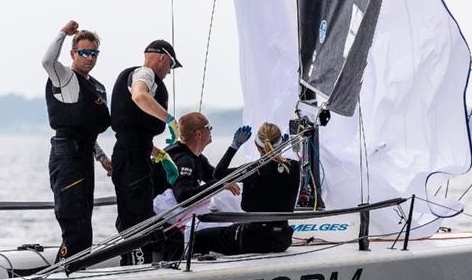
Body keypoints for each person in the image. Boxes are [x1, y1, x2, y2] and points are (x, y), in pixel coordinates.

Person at [42, 20, 112, 261]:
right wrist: (62, 32)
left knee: (84, 222)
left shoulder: (97, 87)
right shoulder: (65, 78)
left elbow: (87, 130)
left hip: (84, 157)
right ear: (73, 54)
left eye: (94, 53)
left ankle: (78, 268)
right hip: (66, 157)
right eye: (84, 53)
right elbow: (47, 61)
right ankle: (64, 269)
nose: (89, 58)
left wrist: (103, 159)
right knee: (73, 221)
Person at [110, 40, 183, 265]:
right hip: (130, 156)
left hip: (134, 153)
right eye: (171, 65)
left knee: (139, 212)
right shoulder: (145, 73)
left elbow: (135, 133)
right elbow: (140, 96)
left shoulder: (144, 76)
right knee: (136, 217)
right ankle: (135, 264)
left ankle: (137, 260)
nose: (169, 72)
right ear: (162, 57)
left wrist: (161, 155)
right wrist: (170, 120)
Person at [193, 122, 300, 256]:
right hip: (281, 239)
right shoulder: (295, 166)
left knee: (198, 237)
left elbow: (218, 174)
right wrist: (281, 150)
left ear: (256, 146)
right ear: (281, 143)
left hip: (252, 239)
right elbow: (278, 168)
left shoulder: (253, 170)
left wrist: (234, 146)